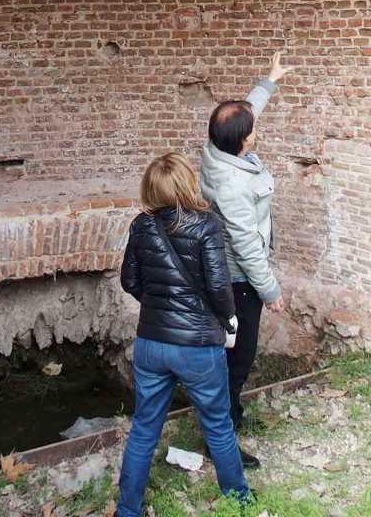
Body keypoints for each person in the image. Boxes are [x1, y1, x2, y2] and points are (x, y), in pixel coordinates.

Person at [116, 153, 252, 517]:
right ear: (188, 182)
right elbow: (219, 287)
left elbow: (129, 281)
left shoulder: (141, 225)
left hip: (151, 342)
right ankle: (239, 499)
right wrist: (227, 319)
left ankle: (127, 510)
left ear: (151, 188)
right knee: (218, 425)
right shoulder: (206, 224)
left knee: (144, 429)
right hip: (197, 345)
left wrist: (158, 307)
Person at [199, 51, 288, 470]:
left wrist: (269, 81)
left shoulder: (218, 147)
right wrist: (269, 290)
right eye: (251, 131)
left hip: (234, 275)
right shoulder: (232, 185)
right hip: (238, 282)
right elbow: (246, 244)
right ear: (243, 141)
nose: (255, 132)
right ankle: (221, 439)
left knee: (233, 357)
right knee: (237, 359)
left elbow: (242, 115)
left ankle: (229, 416)